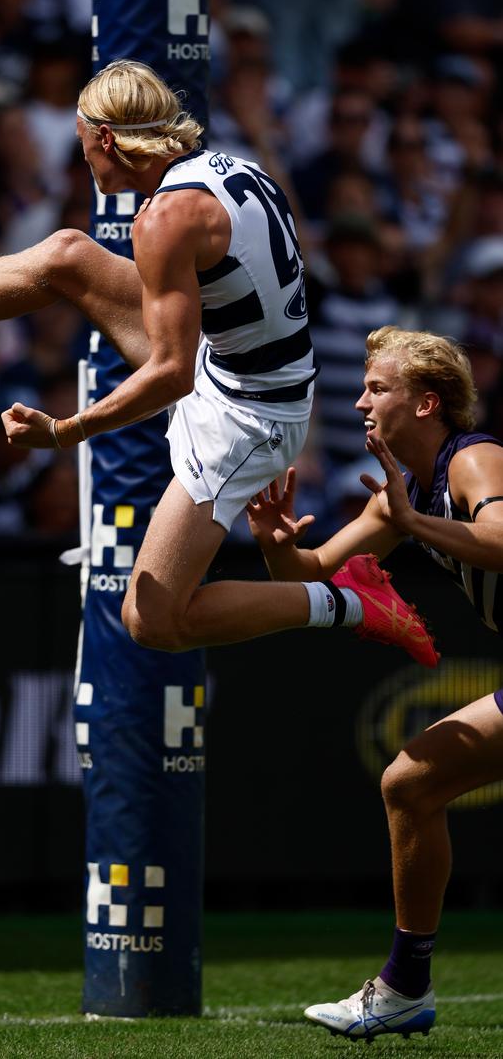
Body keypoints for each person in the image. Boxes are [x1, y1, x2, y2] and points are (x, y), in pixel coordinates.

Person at [0, 58, 436, 666]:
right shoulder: (231, 168)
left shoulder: (164, 221)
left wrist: (66, 431)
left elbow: (170, 374)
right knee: (64, 255)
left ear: (107, 139)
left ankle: (349, 604)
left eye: (85, 150)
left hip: (246, 417)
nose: (85, 165)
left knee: (153, 620)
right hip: (241, 368)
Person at [244, 326, 503, 1040]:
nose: (359, 401)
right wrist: (276, 547)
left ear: (426, 403)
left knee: (409, 784)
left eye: (377, 388)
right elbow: (316, 571)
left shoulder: (475, 461)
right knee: (410, 785)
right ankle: (405, 987)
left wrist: (416, 519)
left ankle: (404, 987)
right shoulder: (398, 498)